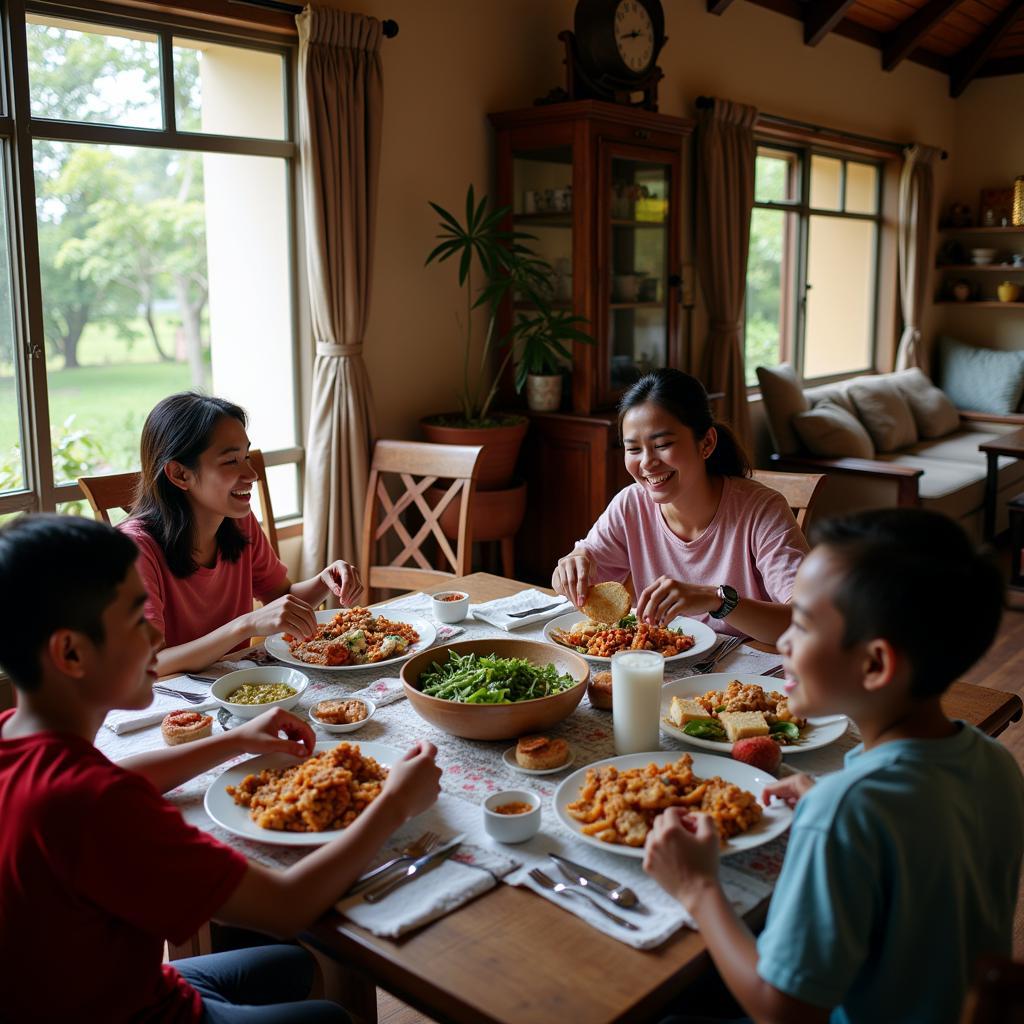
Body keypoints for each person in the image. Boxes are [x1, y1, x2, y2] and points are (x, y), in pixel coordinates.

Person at [0, 514, 442, 1024]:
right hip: (136, 1011)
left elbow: (119, 780)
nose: (154, 637)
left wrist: (233, 741)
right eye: (136, 619)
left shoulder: (19, 734)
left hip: (83, 987)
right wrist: (394, 804)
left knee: (291, 965)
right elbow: (286, 907)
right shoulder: (96, 805)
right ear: (71, 652)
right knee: (330, 1016)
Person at [643, 508, 1024, 1024]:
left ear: (874, 665)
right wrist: (831, 796)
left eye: (800, 624)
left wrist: (697, 887)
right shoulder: (995, 762)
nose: (782, 643)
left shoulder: (845, 809)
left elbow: (783, 1011)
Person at [552, 369, 807, 643]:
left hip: (744, 678)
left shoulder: (762, 511)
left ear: (706, 443)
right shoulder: (631, 505)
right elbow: (573, 580)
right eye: (634, 449)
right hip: (656, 671)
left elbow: (808, 622)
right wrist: (569, 569)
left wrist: (716, 599)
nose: (647, 463)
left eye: (662, 444)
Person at [120, 391, 363, 675]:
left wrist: (324, 581)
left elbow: (280, 598)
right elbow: (147, 664)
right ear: (179, 474)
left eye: (245, 456)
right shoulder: (133, 549)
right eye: (231, 461)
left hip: (237, 686)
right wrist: (247, 624)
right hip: (169, 704)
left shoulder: (239, 522)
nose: (252, 474)